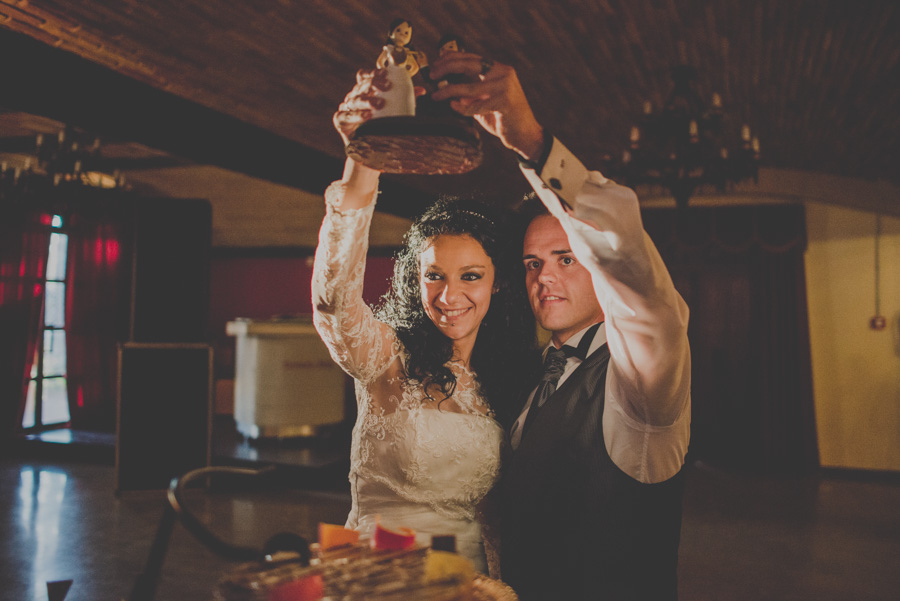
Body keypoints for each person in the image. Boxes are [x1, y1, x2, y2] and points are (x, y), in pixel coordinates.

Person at [429, 54, 692, 600]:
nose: (543, 277)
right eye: (533, 263)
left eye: (566, 259)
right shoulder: (534, 376)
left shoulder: (640, 386)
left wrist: (531, 142)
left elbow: (636, 278)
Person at [311, 76, 534, 574]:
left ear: (497, 283)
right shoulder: (386, 356)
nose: (449, 297)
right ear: (415, 279)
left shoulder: (505, 377)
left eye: (470, 276)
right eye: (434, 275)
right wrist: (364, 160)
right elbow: (333, 303)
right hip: (378, 575)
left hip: (466, 577)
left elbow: (491, 516)